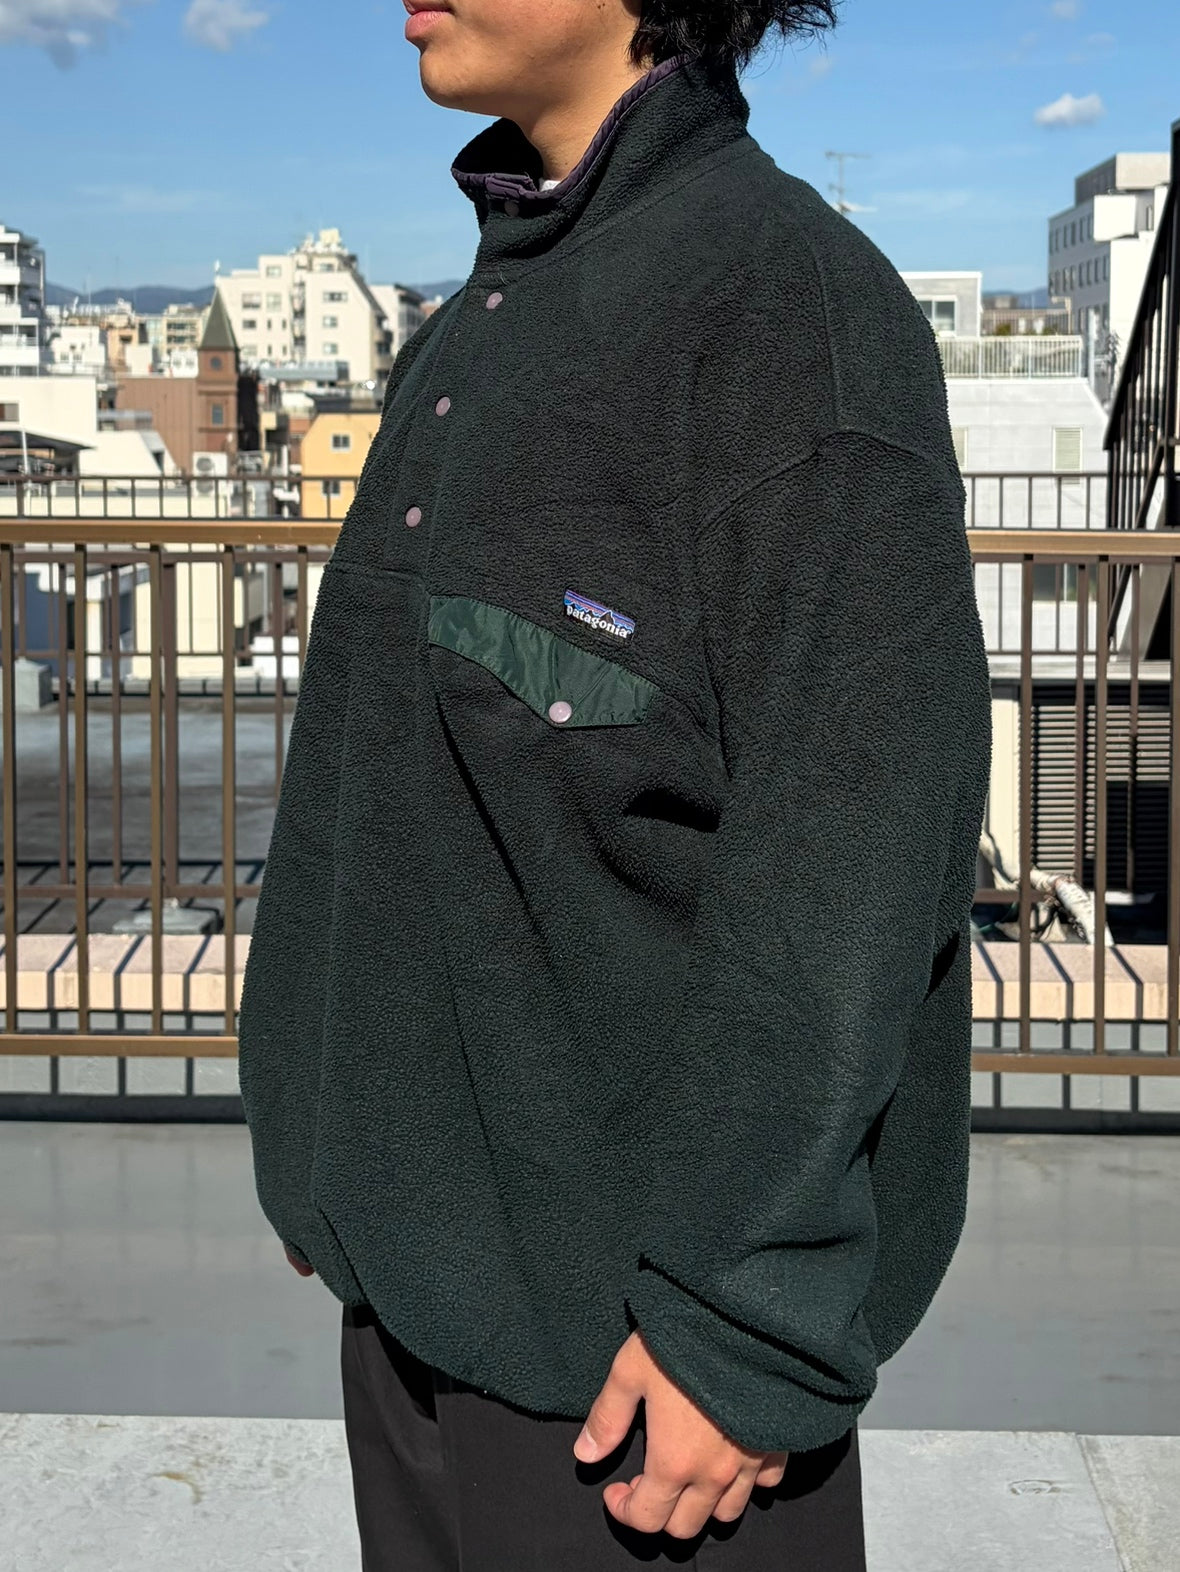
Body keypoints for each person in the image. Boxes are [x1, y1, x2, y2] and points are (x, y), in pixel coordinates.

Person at [236, 1, 994, 1566]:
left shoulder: (790, 308)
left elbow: (852, 869)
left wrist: (744, 1323)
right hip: (422, 1301)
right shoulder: (484, 316)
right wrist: (319, 1138)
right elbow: (383, 783)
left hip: (647, 1381)